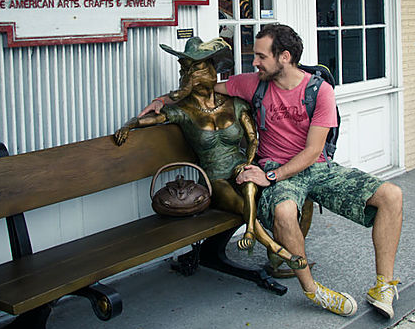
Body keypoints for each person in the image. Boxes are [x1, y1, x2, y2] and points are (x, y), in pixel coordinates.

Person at [141, 24, 404, 319]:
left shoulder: (320, 91)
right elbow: (200, 88)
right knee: (284, 213)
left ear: (285, 57)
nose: (254, 62)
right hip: (273, 165)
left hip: (312, 168)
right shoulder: (253, 83)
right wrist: (163, 100)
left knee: (391, 196)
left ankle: (384, 285)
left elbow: (313, 152)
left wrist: (269, 178)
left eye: (261, 56)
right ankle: (313, 290)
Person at [116, 37, 307, 270]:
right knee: (239, 204)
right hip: (213, 177)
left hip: (242, 168)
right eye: (191, 69)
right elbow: (153, 117)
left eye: (203, 66)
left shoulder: (233, 102)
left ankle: (277, 247)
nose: (200, 73)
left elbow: (252, 139)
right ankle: (276, 249)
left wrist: (248, 164)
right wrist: (128, 125)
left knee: (288, 195)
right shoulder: (183, 111)